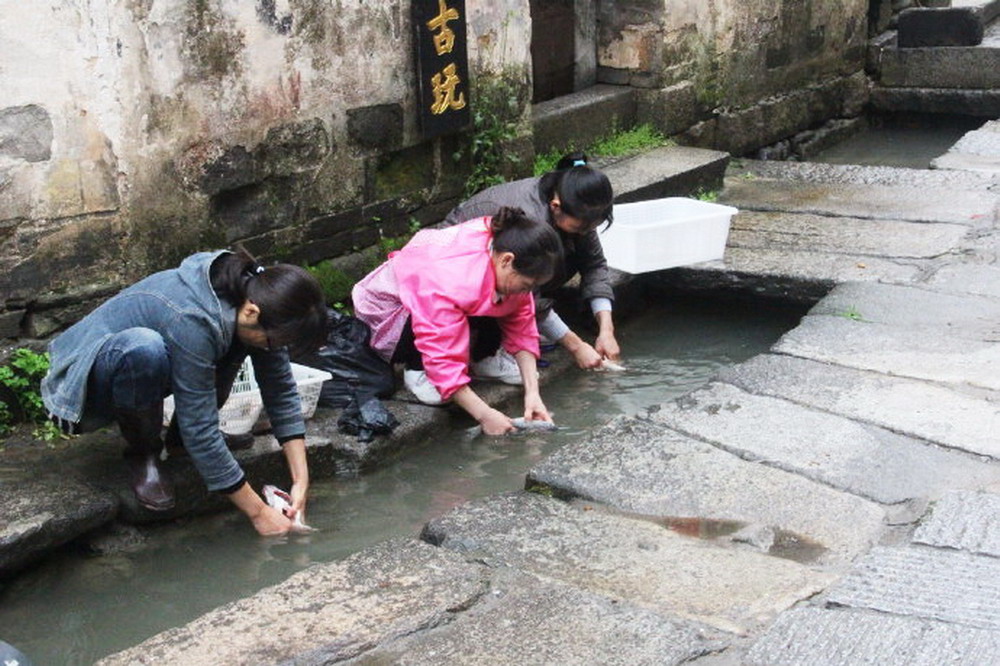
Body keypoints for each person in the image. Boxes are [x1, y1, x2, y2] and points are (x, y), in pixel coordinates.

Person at [41, 249, 327, 536]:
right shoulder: (193, 317)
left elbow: (280, 388)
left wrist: (301, 482)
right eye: (271, 341)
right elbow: (200, 430)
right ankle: (144, 455)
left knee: (235, 340)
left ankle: (178, 442)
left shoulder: (260, 297)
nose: (271, 347)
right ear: (253, 312)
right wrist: (259, 512)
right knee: (145, 349)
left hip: (157, 362)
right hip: (76, 392)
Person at [352, 207, 560, 435]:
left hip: (446, 298)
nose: (528, 292)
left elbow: (521, 321)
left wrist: (533, 393)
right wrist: (485, 414)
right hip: (388, 315)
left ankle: (481, 359)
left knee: (503, 299)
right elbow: (439, 349)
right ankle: (418, 369)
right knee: (443, 354)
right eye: (528, 285)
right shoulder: (452, 277)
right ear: (507, 261)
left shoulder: (503, 249)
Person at [443, 152, 620, 373]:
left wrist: (606, 329)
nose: (585, 233)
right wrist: (576, 347)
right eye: (579, 228)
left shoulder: (576, 208)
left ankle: (524, 329)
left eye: (589, 228)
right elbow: (527, 295)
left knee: (572, 252)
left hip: (512, 273)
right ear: (556, 206)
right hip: (463, 270)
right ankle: (485, 350)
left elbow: (594, 264)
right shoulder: (531, 220)